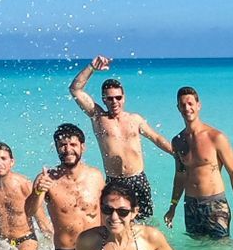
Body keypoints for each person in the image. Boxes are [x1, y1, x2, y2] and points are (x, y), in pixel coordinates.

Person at [68, 56, 174, 221]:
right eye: (109, 98)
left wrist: (176, 154)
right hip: (114, 182)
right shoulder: (98, 117)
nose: (114, 102)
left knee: (144, 225)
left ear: (124, 98)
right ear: (103, 99)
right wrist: (92, 67)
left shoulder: (135, 119)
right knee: (114, 225)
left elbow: (156, 138)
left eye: (118, 97)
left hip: (138, 179)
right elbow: (75, 89)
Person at [24, 123, 107, 250]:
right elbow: (29, 211)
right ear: (56, 148)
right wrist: (38, 191)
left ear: (82, 147)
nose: (68, 149)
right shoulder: (48, 179)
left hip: (96, 248)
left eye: (73, 144)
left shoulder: (95, 176)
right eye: (62, 145)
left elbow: (107, 211)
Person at [163, 87, 233, 240]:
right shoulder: (178, 141)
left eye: (190, 103)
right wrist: (172, 207)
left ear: (198, 105)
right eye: (183, 105)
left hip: (215, 204)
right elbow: (180, 176)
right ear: (178, 108)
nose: (187, 108)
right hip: (190, 205)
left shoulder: (216, 137)